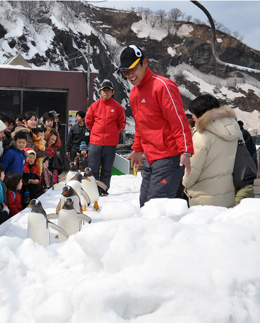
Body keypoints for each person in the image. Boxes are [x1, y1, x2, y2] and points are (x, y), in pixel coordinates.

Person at [119, 45, 194, 207]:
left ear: (144, 63)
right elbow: (140, 124)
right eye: (125, 72)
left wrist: (186, 150)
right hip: (150, 159)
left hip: (169, 157)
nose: (130, 75)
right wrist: (138, 148)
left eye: (132, 69)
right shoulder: (134, 93)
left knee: (156, 206)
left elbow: (178, 121)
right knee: (145, 204)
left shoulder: (162, 86)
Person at [182, 94, 241, 207]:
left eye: (194, 113)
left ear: (200, 113)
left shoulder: (202, 135)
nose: (193, 117)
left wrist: (185, 182)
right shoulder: (233, 129)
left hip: (204, 198)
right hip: (227, 193)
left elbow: (192, 170)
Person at [85, 80, 126, 194]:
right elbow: (88, 122)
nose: (106, 93)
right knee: (93, 168)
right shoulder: (94, 106)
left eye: (108, 91)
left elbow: (121, 123)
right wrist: (95, 132)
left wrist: (113, 133)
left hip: (110, 143)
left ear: (112, 92)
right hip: (95, 142)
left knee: (107, 169)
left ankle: (103, 189)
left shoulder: (118, 108)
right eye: (104, 91)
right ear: (100, 92)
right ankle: (93, 190)